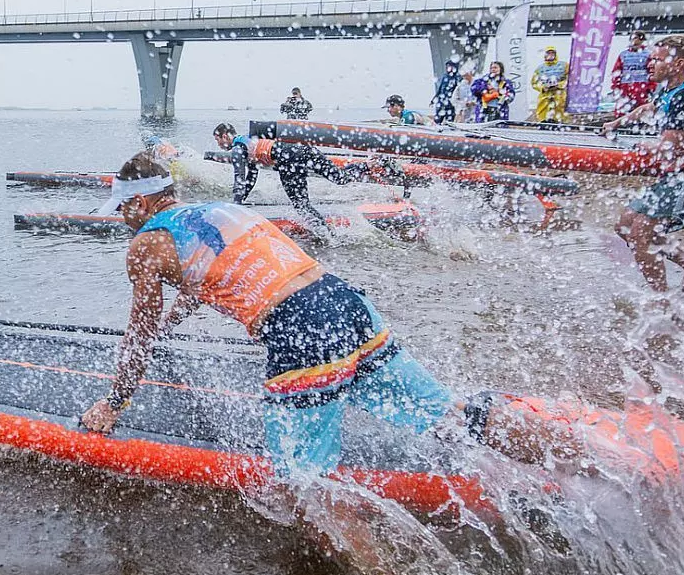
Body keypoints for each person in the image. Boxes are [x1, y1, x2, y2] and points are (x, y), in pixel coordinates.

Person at [78, 155, 581, 483]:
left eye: (123, 207)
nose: (122, 217)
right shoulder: (222, 211)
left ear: (141, 202)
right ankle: (595, 463)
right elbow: (215, 279)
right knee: (452, 417)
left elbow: (137, 334)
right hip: (345, 302)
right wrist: (173, 321)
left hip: (300, 333)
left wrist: (113, 402)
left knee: (304, 488)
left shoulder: (146, 244)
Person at [602, 36, 684, 292]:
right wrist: (617, 123)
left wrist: (643, 147)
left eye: (657, 59)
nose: (650, 64)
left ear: (679, 63)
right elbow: (648, 108)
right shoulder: (670, 88)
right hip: (678, 176)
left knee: (640, 233)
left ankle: (661, 301)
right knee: (625, 225)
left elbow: (671, 148)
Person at [212, 123, 367, 227]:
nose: (218, 144)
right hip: (303, 149)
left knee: (301, 205)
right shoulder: (250, 142)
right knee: (340, 178)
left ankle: (327, 234)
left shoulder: (238, 149)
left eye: (217, 140)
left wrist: (234, 211)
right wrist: (239, 202)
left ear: (225, 136)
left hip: (289, 160)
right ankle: (367, 165)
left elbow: (239, 179)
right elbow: (251, 178)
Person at [610, 31, 653, 117]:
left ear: (641, 40)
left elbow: (652, 72)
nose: (634, 41)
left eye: (636, 38)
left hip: (642, 89)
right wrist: (616, 87)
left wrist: (650, 88)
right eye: (632, 38)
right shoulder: (623, 55)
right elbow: (616, 72)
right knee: (622, 112)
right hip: (625, 89)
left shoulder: (648, 55)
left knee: (641, 112)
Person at [530, 46, 568, 123]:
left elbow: (569, 79)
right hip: (545, 96)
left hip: (559, 95)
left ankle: (559, 122)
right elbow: (534, 83)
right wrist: (543, 88)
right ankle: (544, 122)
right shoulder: (540, 68)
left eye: (552, 53)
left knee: (559, 117)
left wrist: (559, 85)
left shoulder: (564, 65)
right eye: (548, 53)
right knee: (544, 118)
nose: (550, 55)